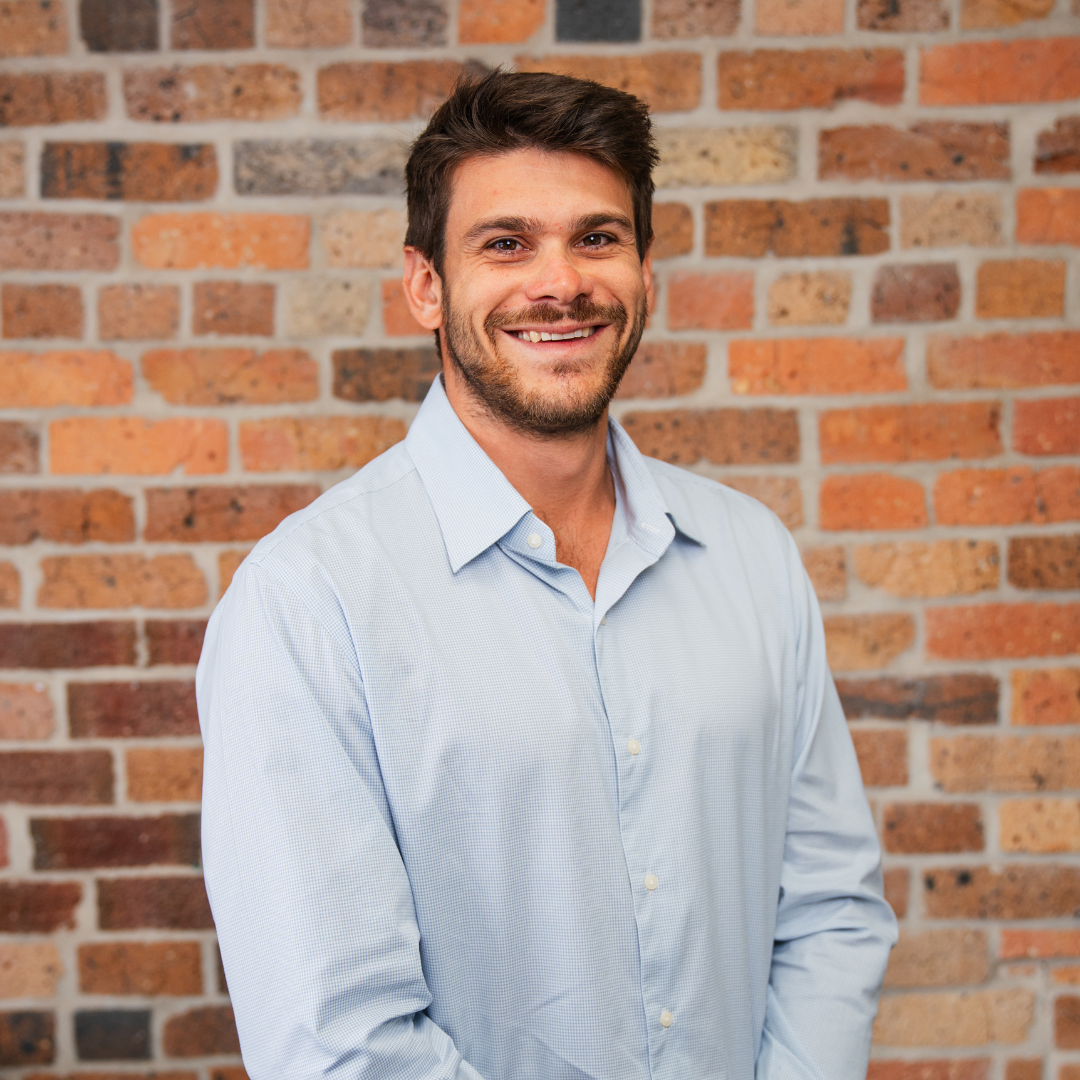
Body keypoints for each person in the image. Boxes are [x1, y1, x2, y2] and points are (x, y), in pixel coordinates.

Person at [197, 69, 897, 1080]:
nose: (560, 282)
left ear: (646, 270)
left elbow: (830, 911)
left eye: (598, 238)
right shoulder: (309, 603)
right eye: (506, 243)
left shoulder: (752, 558)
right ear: (425, 285)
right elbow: (336, 1040)